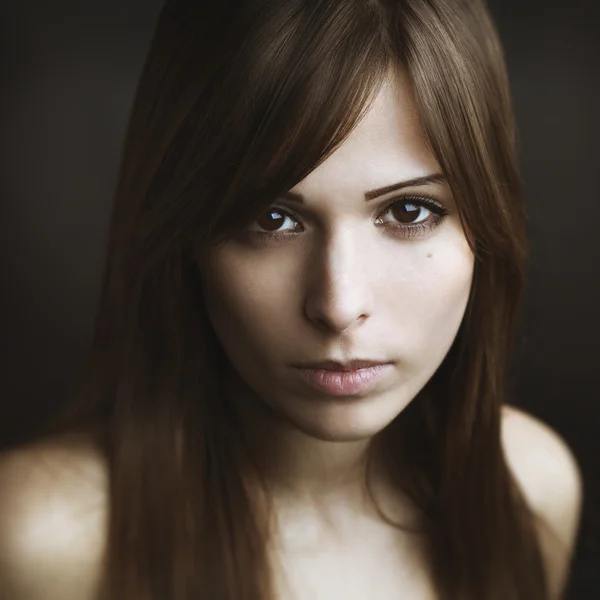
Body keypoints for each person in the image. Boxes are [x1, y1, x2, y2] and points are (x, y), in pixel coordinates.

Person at [0, 1, 583, 599]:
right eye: (271, 218)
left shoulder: (530, 488)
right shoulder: (46, 542)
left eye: (409, 211)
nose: (338, 304)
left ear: (489, 227)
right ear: (184, 236)